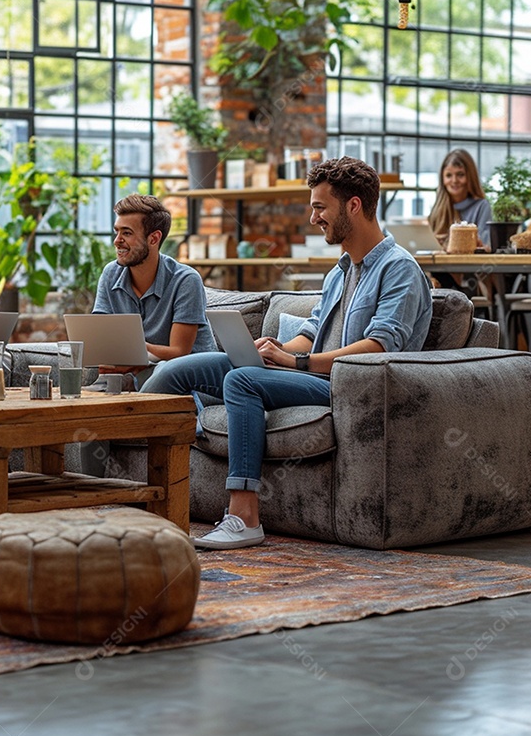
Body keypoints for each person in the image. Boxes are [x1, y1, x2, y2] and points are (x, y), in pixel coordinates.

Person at [143, 157, 432, 549]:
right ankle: (150, 495)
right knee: (179, 371)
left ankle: (244, 517)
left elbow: (379, 347)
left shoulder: (399, 269)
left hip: (348, 386)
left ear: (353, 206)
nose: (313, 218)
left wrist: (298, 362)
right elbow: (311, 333)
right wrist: (277, 349)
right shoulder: (340, 271)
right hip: (309, 372)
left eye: (320, 207)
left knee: (242, 381)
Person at [79, 193, 215, 476]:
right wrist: (111, 357)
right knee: (89, 405)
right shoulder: (110, 274)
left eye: (127, 233)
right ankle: (90, 490)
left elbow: (179, 353)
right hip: (134, 374)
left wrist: (133, 355)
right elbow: (101, 339)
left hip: (190, 379)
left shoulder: (186, 280)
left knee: (162, 370)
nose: (117, 241)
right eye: (117, 231)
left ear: (154, 238)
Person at [428, 149, 493, 296]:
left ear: (470, 177)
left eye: (460, 175)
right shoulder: (438, 209)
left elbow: (486, 246)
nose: (454, 181)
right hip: (440, 272)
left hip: (471, 276)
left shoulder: (481, 206)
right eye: (449, 175)